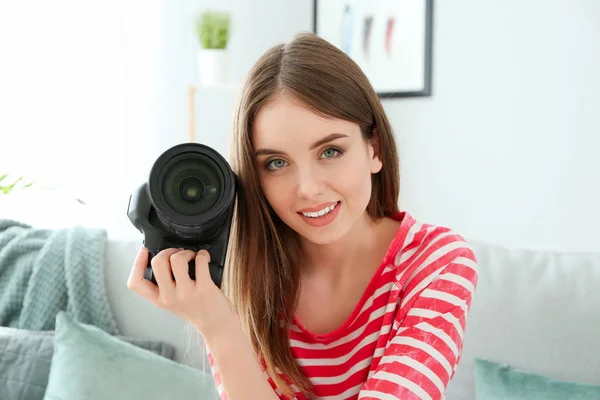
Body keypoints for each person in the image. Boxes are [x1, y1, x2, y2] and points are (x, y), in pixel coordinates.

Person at [128, 31, 478, 400]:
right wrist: (217, 326)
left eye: (330, 152)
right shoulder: (243, 272)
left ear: (373, 148)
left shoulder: (436, 263)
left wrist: (220, 328)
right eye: (276, 163)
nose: (308, 188)